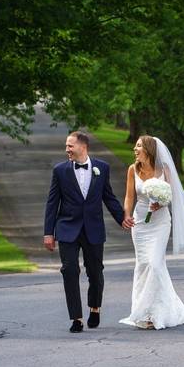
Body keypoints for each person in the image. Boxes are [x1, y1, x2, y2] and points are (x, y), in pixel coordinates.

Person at [43, 131, 132, 333]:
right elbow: (52, 203)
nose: (67, 149)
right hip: (67, 229)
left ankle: (95, 307)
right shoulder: (60, 171)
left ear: (83, 147)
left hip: (93, 228)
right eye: (66, 146)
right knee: (69, 270)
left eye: (70, 146)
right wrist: (48, 232)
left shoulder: (102, 168)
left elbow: (108, 197)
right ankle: (76, 318)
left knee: (95, 271)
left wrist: (121, 218)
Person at [119, 135, 184, 329]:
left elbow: (172, 196)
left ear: (148, 149)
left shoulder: (163, 170)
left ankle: (145, 309)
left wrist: (161, 202)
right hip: (140, 223)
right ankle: (148, 314)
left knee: (155, 264)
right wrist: (126, 214)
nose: (135, 149)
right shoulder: (133, 170)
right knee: (143, 265)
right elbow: (129, 196)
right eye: (135, 146)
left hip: (161, 222)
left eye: (139, 146)